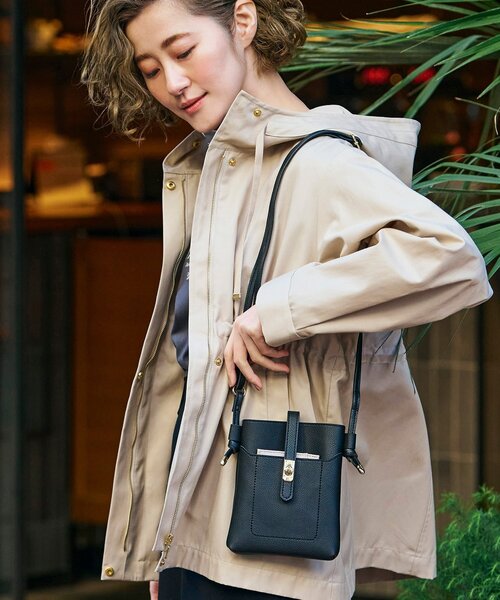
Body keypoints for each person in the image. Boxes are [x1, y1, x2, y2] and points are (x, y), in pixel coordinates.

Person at [82, 1, 492, 598]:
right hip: (202, 523)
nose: (172, 82)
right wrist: (167, 537)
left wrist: (278, 311)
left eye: (183, 51)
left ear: (242, 22)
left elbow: (451, 257)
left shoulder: (319, 161)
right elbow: (189, 374)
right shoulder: (220, 168)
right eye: (150, 69)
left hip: (273, 520)